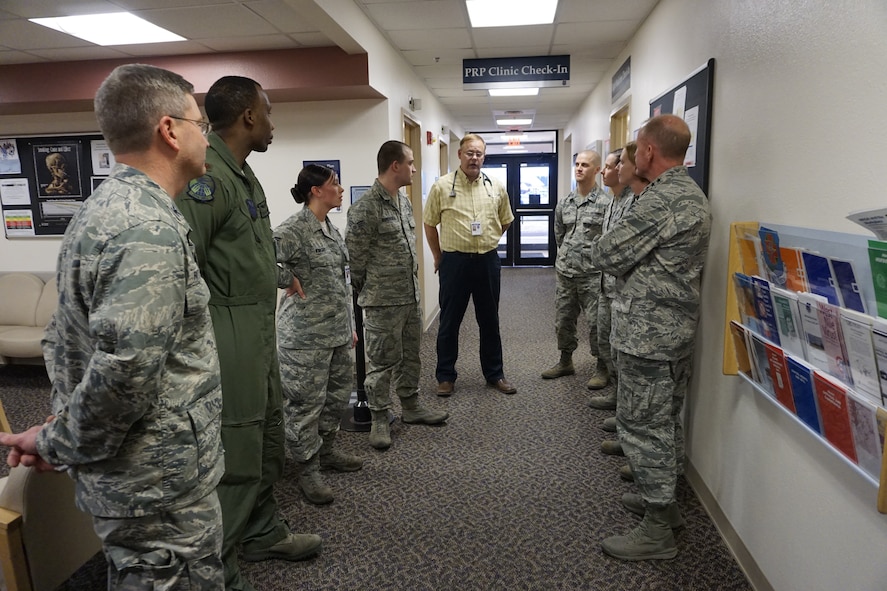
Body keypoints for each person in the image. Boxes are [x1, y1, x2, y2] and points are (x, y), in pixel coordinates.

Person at [0, 63, 224, 589]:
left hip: (139, 473)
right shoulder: (145, 227)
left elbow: (64, 339)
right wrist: (59, 440)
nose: (206, 137)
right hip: (157, 482)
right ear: (169, 131)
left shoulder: (102, 208)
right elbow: (126, 368)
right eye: (201, 124)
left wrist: (61, 436)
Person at [176, 75, 320, 591]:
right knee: (236, 451)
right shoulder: (208, 176)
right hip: (228, 332)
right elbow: (182, 262)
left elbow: (252, 250)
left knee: (266, 439)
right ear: (249, 117)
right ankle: (219, 567)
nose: (275, 122)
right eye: (269, 112)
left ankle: (261, 530)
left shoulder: (244, 173)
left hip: (260, 329)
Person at [591, 114, 711, 561]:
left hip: (649, 333)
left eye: (636, 147)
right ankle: (666, 505)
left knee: (643, 426)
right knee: (664, 420)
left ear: (647, 152)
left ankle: (658, 526)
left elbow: (607, 251)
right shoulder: (687, 193)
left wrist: (623, 259)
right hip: (671, 330)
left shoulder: (663, 201)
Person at [345, 140, 449, 450]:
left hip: (409, 297)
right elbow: (356, 261)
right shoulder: (365, 208)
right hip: (382, 303)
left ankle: (411, 406)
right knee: (380, 362)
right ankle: (379, 417)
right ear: (395, 166)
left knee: (410, 356)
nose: (415, 168)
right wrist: (372, 291)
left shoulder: (403, 203)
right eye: (411, 162)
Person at [274, 164, 362, 504]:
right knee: (304, 405)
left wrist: (350, 327)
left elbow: (341, 281)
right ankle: (307, 469)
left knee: (337, 398)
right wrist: (287, 279)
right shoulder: (294, 229)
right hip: (304, 338)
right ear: (315, 191)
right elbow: (261, 258)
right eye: (334, 183)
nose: (340, 189)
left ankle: (327, 452)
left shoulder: (330, 227)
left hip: (337, 332)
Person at [423, 134, 516, 396]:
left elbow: (506, 219)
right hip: (455, 262)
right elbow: (429, 223)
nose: (474, 158)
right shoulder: (442, 187)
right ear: (459, 155)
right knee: (449, 322)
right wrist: (438, 256)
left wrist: (491, 238)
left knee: (489, 320)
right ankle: (445, 377)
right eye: (469, 153)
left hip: (487, 261)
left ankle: (495, 374)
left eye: (479, 154)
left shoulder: (495, 186)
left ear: (484, 157)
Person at [541, 150, 611, 389]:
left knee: (596, 324)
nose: (579, 168)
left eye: (585, 165)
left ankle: (602, 367)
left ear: (597, 170)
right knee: (563, 320)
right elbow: (559, 235)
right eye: (577, 164)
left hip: (593, 275)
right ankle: (565, 360)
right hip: (566, 272)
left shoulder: (605, 204)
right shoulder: (565, 202)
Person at [591, 144, 646, 421]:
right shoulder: (612, 199)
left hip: (624, 291)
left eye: (614, 164)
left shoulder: (636, 201)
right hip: (606, 286)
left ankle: (624, 410)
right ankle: (616, 396)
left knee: (622, 352)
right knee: (606, 343)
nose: (606, 170)